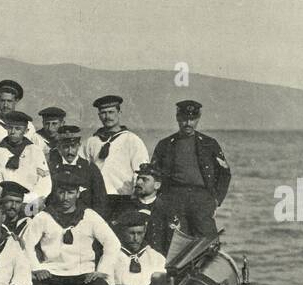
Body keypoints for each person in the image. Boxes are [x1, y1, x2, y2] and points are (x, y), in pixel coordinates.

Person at [23, 170, 120, 285]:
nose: (65, 197)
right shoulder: (44, 217)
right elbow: (26, 244)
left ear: (78, 193)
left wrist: (101, 271)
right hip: (53, 273)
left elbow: (112, 243)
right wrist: (37, 268)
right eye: (61, 192)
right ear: (55, 192)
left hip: (83, 274)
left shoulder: (89, 216)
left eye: (70, 192)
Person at [150, 100, 231, 241]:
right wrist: (161, 200)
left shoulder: (209, 144)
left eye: (192, 119)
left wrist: (216, 199)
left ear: (198, 119)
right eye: (183, 119)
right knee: (175, 242)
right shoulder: (165, 145)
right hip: (173, 198)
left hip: (201, 199)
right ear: (177, 118)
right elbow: (154, 174)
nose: (188, 123)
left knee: (207, 243)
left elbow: (225, 173)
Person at [84, 94, 148, 218]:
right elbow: (84, 169)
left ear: (119, 113)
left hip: (124, 198)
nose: (107, 117)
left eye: (111, 112)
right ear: (99, 116)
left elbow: (140, 170)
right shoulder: (92, 141)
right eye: (103, 113)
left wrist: (136, 195)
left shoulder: (132, 140)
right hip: (97, 197)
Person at [102, 209, 168, 285]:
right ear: (122, 232)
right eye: (131, 233)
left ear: (145, 232)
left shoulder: (155, 257)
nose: (136, 238)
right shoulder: (112, 255)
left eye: (140, 233)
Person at [0, 110, 52, 207]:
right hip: (6, 202)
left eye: (18, 129)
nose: (13, 132)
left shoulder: (35, 151)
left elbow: (44, 182)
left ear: (26, 131)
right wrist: (7, 198)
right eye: (10, 128)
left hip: (30, 203)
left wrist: (28, 200)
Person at [46, 123, 109, 219]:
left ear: (79, 146)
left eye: (73, 146)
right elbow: (48, 198)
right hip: (57, 218)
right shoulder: (51, 168)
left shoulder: (90, 168)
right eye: (65, 147)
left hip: (84, 219)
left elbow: (100, 199)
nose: (70, 151)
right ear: (59, 147)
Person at [128, 161, 181, 255]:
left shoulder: (167, 210)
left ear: (157, 185)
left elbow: (172, 243)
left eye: (145, 179)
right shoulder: (126, 206)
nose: (139, 182)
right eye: (138, 178)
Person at [0, 78, 25, 151]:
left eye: (9, 101)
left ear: (16, 101)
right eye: (2, 101)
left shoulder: (28, 125)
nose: (5, 105)